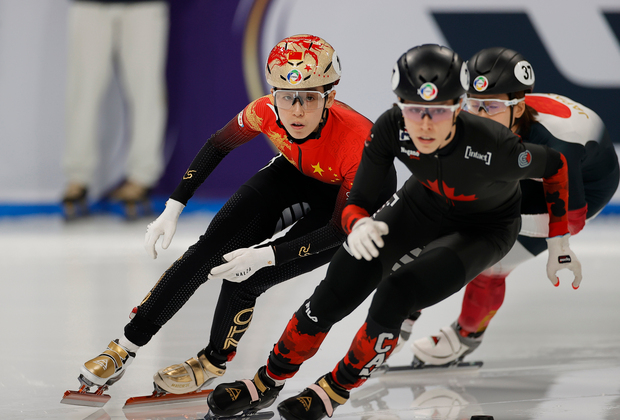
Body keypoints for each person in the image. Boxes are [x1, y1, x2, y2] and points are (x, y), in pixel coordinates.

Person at [206, 44, 580, 420]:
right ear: (401, 106)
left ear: (459, 108)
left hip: (483, 228)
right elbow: (357, 201)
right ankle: (268, 380)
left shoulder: (494, 146)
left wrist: (559, 241)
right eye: (415, 110)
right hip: (423, 203)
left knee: (396, 293)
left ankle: (334, 389)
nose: (426, 125)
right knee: (342, 277)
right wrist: (359, 223)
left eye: (440, 111)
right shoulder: (391, 126)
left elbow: (557, 165)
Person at [71, 34, 397, 401]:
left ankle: (212, 362)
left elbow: (338, 228)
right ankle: (125, 345)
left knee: (248, 277)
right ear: (273, 95)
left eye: (310, 97)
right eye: (287, 98)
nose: (297, 111)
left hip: (349, 210)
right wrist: (174, 206)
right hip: (294, 175)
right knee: (206, 252)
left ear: (330, 97)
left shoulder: (360, 143)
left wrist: (268, 255)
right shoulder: (264, 111)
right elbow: (218, 145)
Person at [405, 47, 620, 366]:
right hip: (525, 165)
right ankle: (404, 313)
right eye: (471, 105)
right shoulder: (480, 120)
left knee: (493, 260)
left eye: (490, 107)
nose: (478, 117)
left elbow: (571, 220)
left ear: (518, 110)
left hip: (586, 182)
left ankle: (467, 336)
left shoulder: (559, 142)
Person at [61, 0, 169, 220]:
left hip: (145, 6)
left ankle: (141, 177)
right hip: (89, 5)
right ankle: (77, 177)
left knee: (146, 92)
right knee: (83, 92)